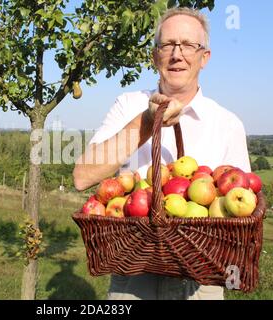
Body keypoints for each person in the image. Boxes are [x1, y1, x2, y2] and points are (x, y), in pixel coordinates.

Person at [73, 7, 251, 300]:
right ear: (155, 56)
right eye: (167, 44)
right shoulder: (127, 105)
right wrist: (145, 122)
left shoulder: (228, 124)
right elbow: (82, 177)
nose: (176, 54)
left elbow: (240, 225)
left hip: (200, 282)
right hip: (132, 275)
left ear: (204, 57)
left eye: (188, 45)